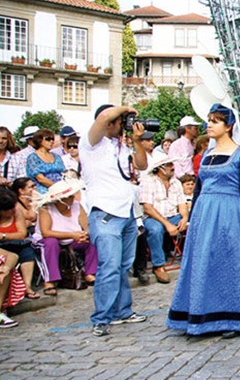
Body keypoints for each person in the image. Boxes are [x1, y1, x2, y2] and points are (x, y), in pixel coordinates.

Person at [167, 104, 240, 338]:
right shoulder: (206, 155)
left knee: (230, 261)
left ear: (228, 126)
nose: (209, 125)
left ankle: (233, 316)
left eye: (215, 121)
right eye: (209, 120)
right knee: (202, 261)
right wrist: (192, 217)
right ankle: (200, 312)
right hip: (205, 212)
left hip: (229, 210)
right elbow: (198, 188)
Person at [81, 104, 150, 336]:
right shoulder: (91, 143)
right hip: (105, 212)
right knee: (109, 266)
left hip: (127, 211)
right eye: (122, 121)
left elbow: (142, 165)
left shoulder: (120, 145)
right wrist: (126, 107)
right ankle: (102, 317)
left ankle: (122, 311)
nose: (123, 125)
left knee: (122, 266)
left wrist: (137, 141)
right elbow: (103, 116)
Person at [35, 179, 97, 295]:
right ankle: (49, 281)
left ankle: (90, 273)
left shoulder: (77, 205)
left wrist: (84, 234)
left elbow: (86, 226)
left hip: (72, 239)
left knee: (92, 241)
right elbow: (46, 232)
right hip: (51, 240)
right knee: (51, 243)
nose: (72, 197)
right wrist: (72, 235)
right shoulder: (45, 208)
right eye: (69, 196)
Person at [139, 153, 190, 284]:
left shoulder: (176, 182)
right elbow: (148, 208)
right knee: (155, 230)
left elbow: (182, 204)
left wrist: (185, 218)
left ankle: (193, 258)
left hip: (173, 215)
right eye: (168, 165)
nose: (172, 167)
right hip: (153, 217)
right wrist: (167, 224)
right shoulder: (148, 182)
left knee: (194, 224)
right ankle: (158, 265)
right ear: (160, 169)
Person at [0, 188, 39, 299]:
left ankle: (27, 286)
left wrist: (3, 236)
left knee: (27, 251)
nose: (12, 211)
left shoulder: (16, 211)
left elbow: (22, 233)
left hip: (17, 243)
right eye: (8, 210)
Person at [26, 129, 66, 194]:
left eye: (52, 139)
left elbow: (64, 173)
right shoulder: (33, 157)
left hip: (61, 189)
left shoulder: (57, 156)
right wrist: (57, 187)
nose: (51, 141)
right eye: (48, 139)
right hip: (43, 191)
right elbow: (40, 178)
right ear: (39, 140)